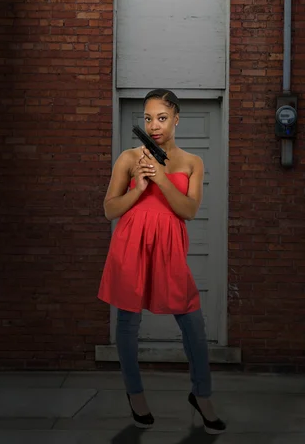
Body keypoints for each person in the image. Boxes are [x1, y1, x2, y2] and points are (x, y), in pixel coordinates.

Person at [98, 89, 226, 434]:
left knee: (193, 325)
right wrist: (138, 187)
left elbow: (188, 210)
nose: (154, 125)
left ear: (176, 119)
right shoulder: (128, 158)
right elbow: (109, 209)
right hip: (130, 246)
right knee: (128, 323)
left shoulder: (192, 162)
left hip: (169, 248)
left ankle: (202, 396)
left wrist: (160, 176)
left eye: (162, 117)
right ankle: (136, 395)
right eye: (148, 118)